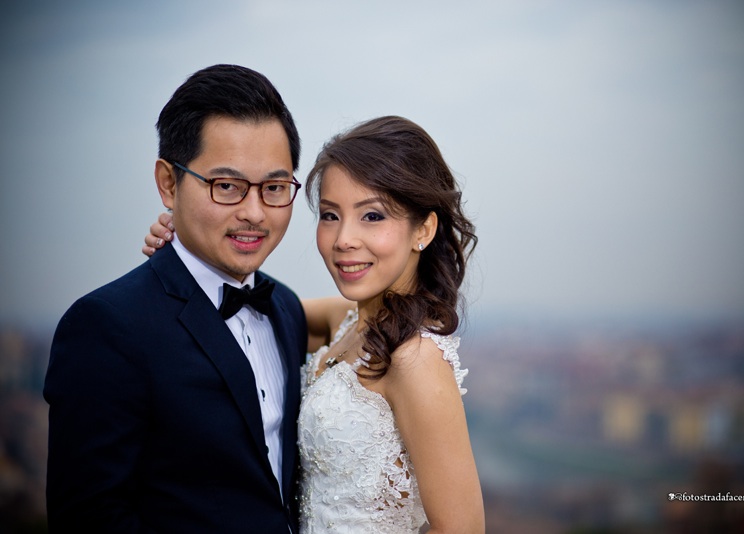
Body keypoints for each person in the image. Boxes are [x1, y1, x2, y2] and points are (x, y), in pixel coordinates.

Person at [146, 115, 485, 532]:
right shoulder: (344, 322)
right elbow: (245, 315)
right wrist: (188, 248)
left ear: (424, 229)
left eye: (372, 216)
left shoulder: (415, 360)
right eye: (329, 215)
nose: (343, 239)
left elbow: (462, 528)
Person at [44, 64, 307, 533]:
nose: (254, 212)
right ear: (169, 183)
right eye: (225, 186)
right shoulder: (106, 326)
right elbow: (90, 518)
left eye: (274, 188)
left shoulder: (286, 309)